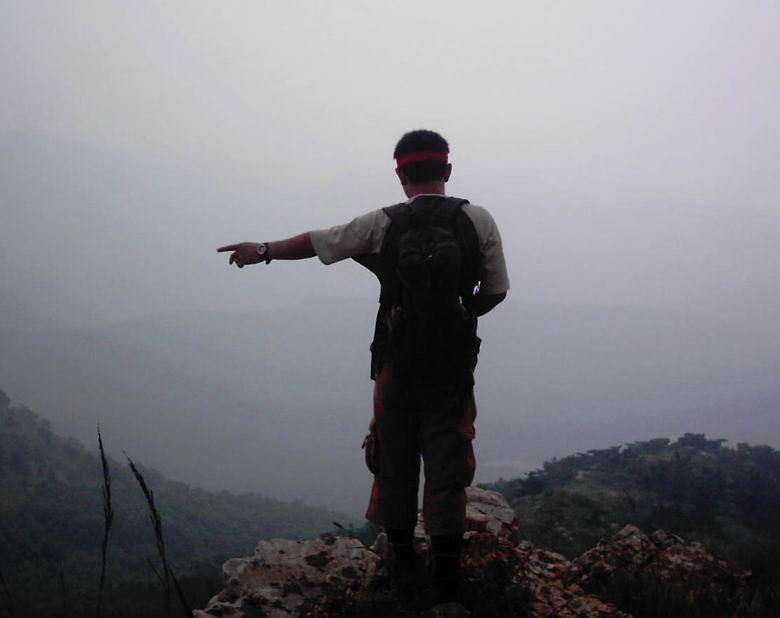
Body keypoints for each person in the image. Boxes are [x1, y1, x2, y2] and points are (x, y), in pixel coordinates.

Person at [217, 129, 509, 603]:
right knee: (447, 464)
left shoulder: (382, 223)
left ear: (400, 175)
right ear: (448, 170)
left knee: (393, 461)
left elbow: (319, 242)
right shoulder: (477, 220)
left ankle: (402, 568)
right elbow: (496, 289)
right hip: (451, 370)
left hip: (395, 365)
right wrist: (460, 315)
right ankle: (447, 577)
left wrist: (263, 250)